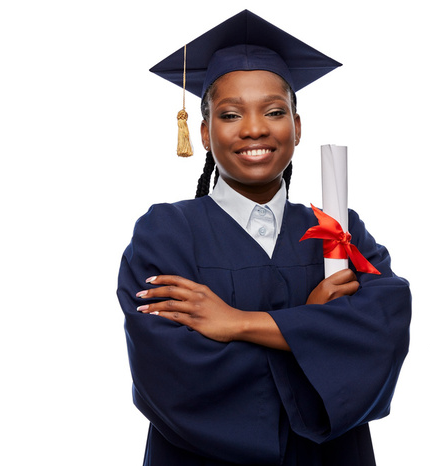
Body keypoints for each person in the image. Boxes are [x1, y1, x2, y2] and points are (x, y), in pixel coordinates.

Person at [117, 10, 411, 466]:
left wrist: (237, 323)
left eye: (274, 112)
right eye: (231, 114)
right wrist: (313, 333)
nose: (254, 128)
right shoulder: (165, 233)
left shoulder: (337, 230)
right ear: (204, 134)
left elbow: (382, 337)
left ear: (297, 127)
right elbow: (172, 378)